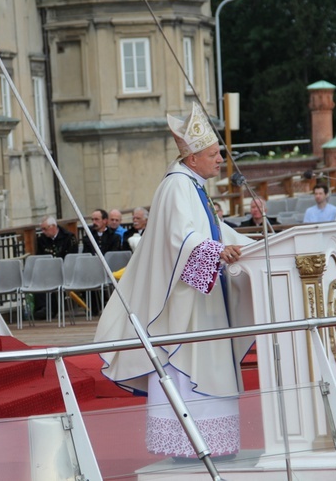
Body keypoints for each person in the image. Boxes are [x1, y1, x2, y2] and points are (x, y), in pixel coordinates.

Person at [94, 103, 254, 460]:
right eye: (214, 155)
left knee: (209, 364)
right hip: (185, 303)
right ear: (193, 157)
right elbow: (180, 239)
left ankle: (213, 443)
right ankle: (190, 445)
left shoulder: (193, 185)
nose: (219, 161)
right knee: (190, 366)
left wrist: (254, 248)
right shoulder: (177, 187)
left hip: (205, 298)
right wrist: (214, 253)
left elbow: (214, 231)